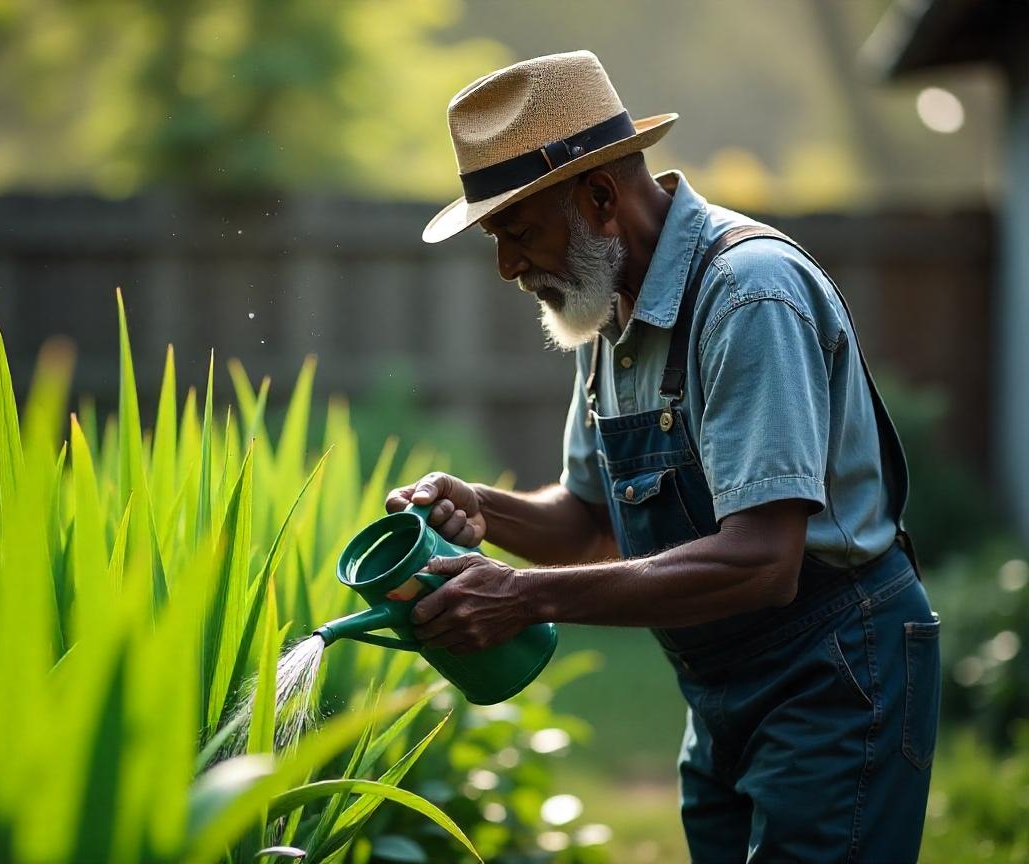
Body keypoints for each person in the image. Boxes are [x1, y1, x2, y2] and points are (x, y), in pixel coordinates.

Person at [385, 50, 941, 862]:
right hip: (720, 684)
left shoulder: (749, 297)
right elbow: (589, 526)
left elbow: (763, 562)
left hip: (835, 672)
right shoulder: (607, 309)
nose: (506, 266)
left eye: (517, 230)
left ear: (601, 197)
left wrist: (522, 598)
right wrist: (478, 504)